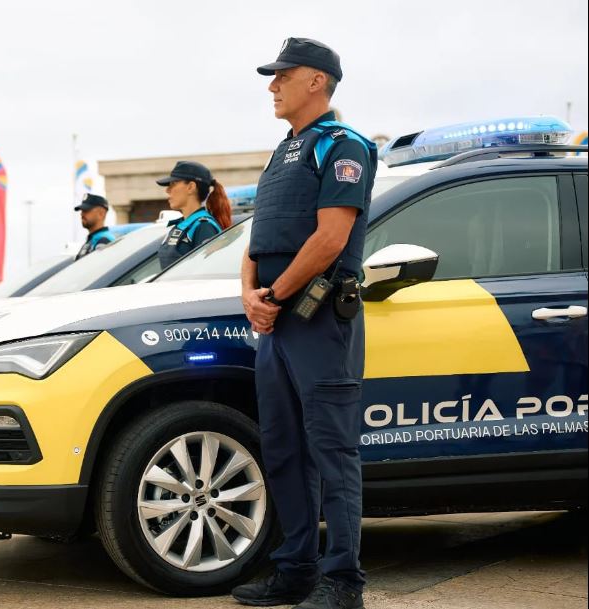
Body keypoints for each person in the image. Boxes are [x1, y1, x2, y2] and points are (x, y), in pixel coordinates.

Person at [233, 38, 377, 609]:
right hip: (275, 323)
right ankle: (295, 570)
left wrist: (273, 295)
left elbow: (331, 238)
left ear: (316, 80)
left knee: (331, 450)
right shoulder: (281, 152)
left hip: (318, 319)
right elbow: (257, 238)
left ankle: (343, 583)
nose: (272, 85)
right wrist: (250, 294)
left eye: (282, 76)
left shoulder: (344, 147)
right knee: (285, 447)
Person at [154, 160, 232, 267]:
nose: (167, 190)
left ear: (191, 187)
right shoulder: (183, 225)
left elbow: (206, 272)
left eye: (173, 184)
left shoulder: (204, 226)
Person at [74, 194, 115, 259]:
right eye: (82, 211)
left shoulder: (104, 241)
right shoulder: (92, 240)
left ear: (101, 214)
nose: (81, 214)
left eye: (86, 210)